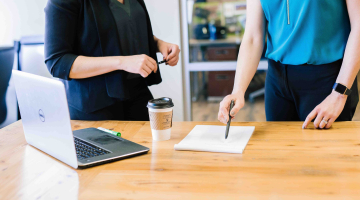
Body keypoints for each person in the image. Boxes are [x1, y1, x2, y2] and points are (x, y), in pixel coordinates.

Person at [218, 0, 360, 129]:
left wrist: (339, 94)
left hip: (328, 80)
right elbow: (253, 36)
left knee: (323, 155)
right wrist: (238, 90)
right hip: (277, 81)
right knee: (280, 153)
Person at [45, 0, 180, 121]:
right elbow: (57, 62)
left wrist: (158, 44)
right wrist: (121, 62)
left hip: (138, 95)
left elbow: (121, 29)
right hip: (95, 107)